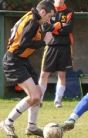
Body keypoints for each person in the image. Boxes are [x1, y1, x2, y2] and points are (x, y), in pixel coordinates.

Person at [0, 1, 55, 138]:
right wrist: (44, 42)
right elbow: (24, 42)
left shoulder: (33, 17)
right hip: (14, 61)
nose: (49, 19)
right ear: (42, 12)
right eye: (49, 16)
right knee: (34, 96)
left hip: (22, 60)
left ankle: (32, 127)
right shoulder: (33, 21)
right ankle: (7, 122)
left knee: (38, 94)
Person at [38, 0, 74, 108]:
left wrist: (54, 27)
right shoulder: (49, 10)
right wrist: (60, 25)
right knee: (44, 74)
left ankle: (58, 100)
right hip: (51, 46)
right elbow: (45, 28)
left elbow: (68, 28)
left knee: (62, 74)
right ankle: (39, 99)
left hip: (65, 46)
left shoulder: (69, 12)